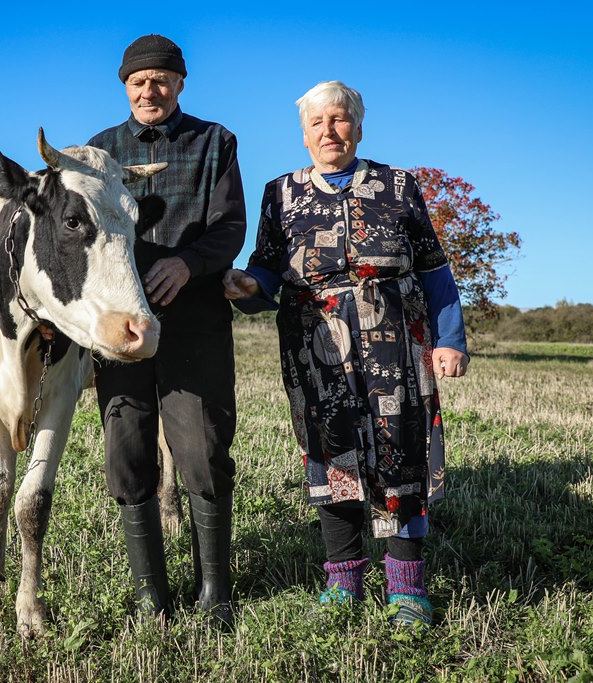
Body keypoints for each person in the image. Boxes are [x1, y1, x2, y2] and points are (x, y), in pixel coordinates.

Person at [224, 80, 468, 625]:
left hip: (396, 348)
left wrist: (450, 339)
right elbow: (266, 264)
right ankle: (344, 582)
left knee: (400, 456)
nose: (329, 131)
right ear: (304, 135)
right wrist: (251, 286)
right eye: (318, 123)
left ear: (358, 127)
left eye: (339, 119)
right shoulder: (279, 193)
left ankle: (406, 589)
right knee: (331, 457)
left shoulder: (398, 185)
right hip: (316, 349)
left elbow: (434, 269)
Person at [88, 35, 246, 624]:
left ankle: (216, 592)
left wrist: (189, 263)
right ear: (125, 86)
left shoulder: (214, 141)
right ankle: (150, 595)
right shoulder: (97, 153)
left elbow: (230, 227)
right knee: (127, 448)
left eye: (161, 80)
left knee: (203, 448)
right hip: (119, 328)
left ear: (180, 83)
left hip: (195, 320)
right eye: (138, 81)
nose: (149, 91)